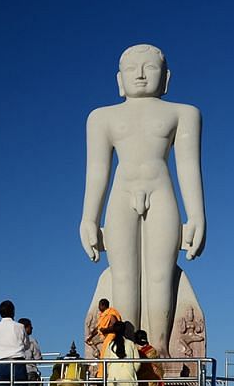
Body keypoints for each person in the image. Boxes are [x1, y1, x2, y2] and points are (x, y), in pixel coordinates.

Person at [80, 44, 206, 357]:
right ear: (119, 80)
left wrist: (197, 217)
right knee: (123, 275)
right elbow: (97, 171)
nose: (139, 74)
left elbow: (189, 166)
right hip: (121, 196)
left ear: (166, 78)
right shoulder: (101, 118)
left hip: (161, 192)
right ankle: (124, 348)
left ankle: (159, 348)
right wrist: (88, 218)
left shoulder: (183, 113)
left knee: (161, 274)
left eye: (149, 67)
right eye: (131, 69)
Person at [94, 298, 122, 377]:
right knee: (103, 355)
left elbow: (116, 327)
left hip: (112, 336)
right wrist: (90, 336)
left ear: (103, 305)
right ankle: (101, 374)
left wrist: (105, 330)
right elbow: (98, 328)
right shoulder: (104, 315)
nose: (98, 307)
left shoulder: (111, 314)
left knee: (105, 355)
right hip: (107, 337)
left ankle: (102, 375)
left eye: (99, 305)